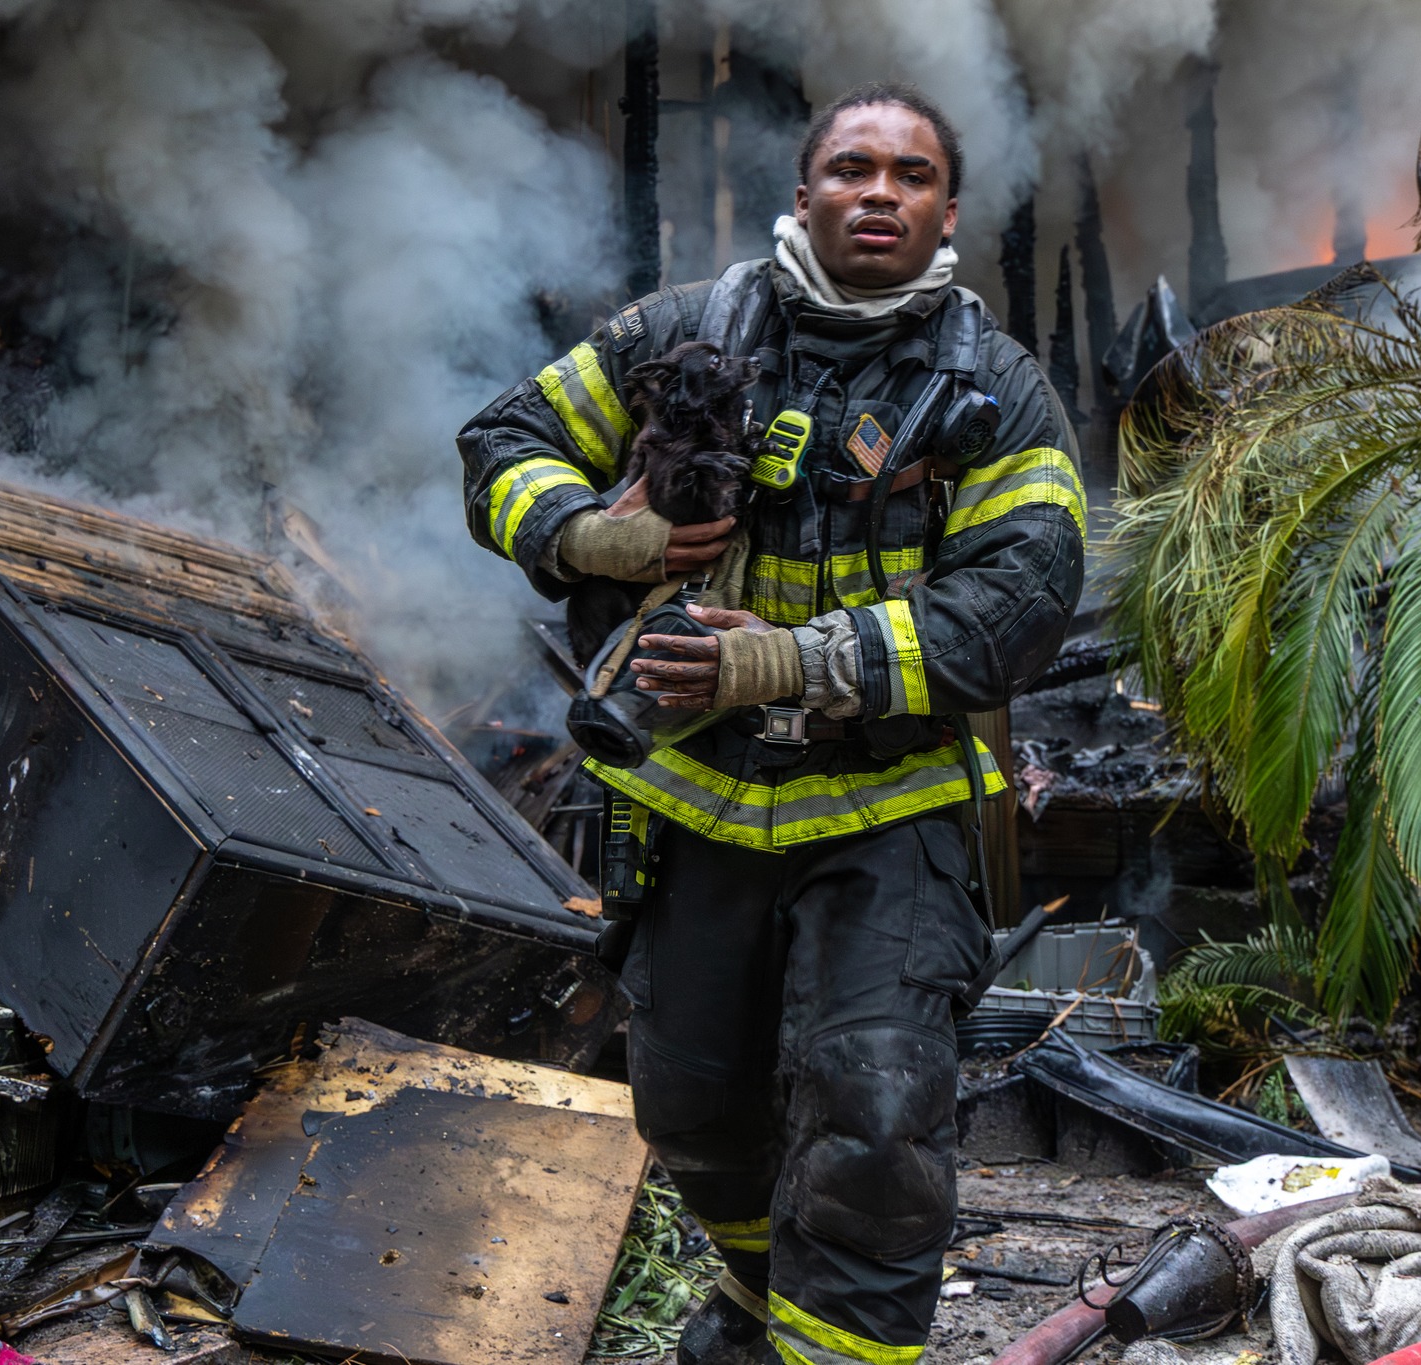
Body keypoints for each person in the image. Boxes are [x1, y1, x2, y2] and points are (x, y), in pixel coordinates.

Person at [459, 82, 1084, 1365]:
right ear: (802, 195)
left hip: (886, 813)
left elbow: (1017, 605)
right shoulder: (684, 331)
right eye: (851, 168)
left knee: (872, 1116)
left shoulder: (992, 390)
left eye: (908, 176)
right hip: (691, 806)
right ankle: (757, 1315)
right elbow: (502, 440)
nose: (878, 193)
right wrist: (590, 533)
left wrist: (793, 662)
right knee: (691, 1105)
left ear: (944, 211)